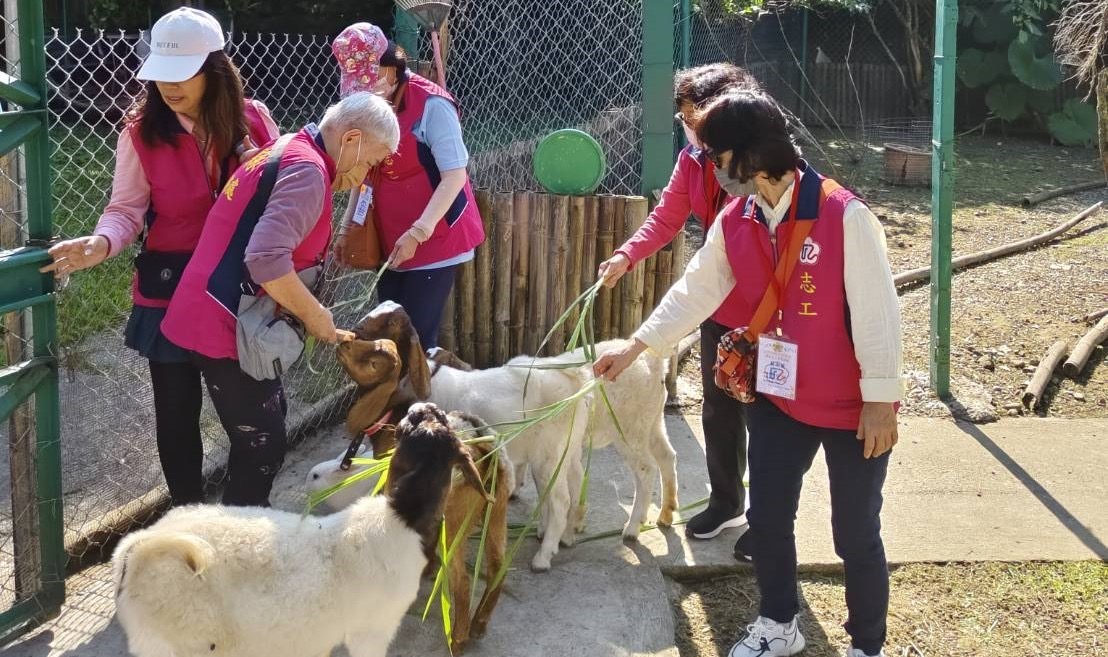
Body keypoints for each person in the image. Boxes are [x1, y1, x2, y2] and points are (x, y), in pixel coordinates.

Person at [594, 90, 902, 657]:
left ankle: (866, 646)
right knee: (767, 516)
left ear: (748, 155)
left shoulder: (844, 215)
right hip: (780, 399)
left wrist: (881, 400)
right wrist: (637, 347)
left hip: (851, 408)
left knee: (854, 532)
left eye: (716, 156)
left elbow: (879, 315)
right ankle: (779, 622)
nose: (710, 167)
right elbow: (696, 291)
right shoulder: (737, 217)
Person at [41, 7, 279, 506]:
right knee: (176, 415)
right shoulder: (140, 132)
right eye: (160, 74)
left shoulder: (254, 120)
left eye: (181, 74)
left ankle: (243, 520)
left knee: (252, 418)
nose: (168, 86)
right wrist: (100, 243)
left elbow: (278, 198)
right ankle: (188, 521)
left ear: (214, 68)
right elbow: (125, 209)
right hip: (170, 292)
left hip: (239, 290)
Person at [158, 92, 400, 506]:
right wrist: (316, 315)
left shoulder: (287, 147)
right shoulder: (308, 173)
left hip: (205, 312)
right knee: (262, 444)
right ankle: (241, 541)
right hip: (225, 326)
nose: (363, 178)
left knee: (265, 421)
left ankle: (242, 520)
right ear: (351, 139)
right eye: (370, 162)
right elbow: (265, 259)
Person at [597, 62, 760, 545]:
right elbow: (667, 216)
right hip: (718, 305)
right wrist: (627, 254)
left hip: (766, 313)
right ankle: (728, 504)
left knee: (770, 417)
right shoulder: (693, 161)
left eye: (695, 118)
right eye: (685, 119)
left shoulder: (757, 167)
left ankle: (770, 519)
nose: (688, 128)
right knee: (719, 406)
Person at [331, 22, 485, 349]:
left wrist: (418, 232)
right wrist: (347, 227)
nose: (365, 90)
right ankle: (396, 399)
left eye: (371, 79)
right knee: (389, 328)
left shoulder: (432, 105)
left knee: (415, 335)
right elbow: (364, 173)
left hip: (435, 233)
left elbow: (455, 176)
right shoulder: (366, 106)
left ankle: (416, 399)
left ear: (392, 68)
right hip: (389, 234)